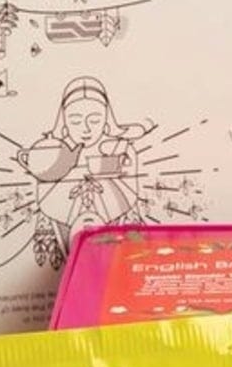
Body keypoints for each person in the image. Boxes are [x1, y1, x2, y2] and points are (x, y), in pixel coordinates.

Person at [19, 77, 151, 246]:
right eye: (75, 121)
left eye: (94, 120)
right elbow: (47, 195)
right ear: (64, 121)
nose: (86, 129)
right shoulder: (54, 150)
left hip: (113, 222)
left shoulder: (120, 148)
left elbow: (128, 191)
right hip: (64, 225)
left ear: (106, 120)